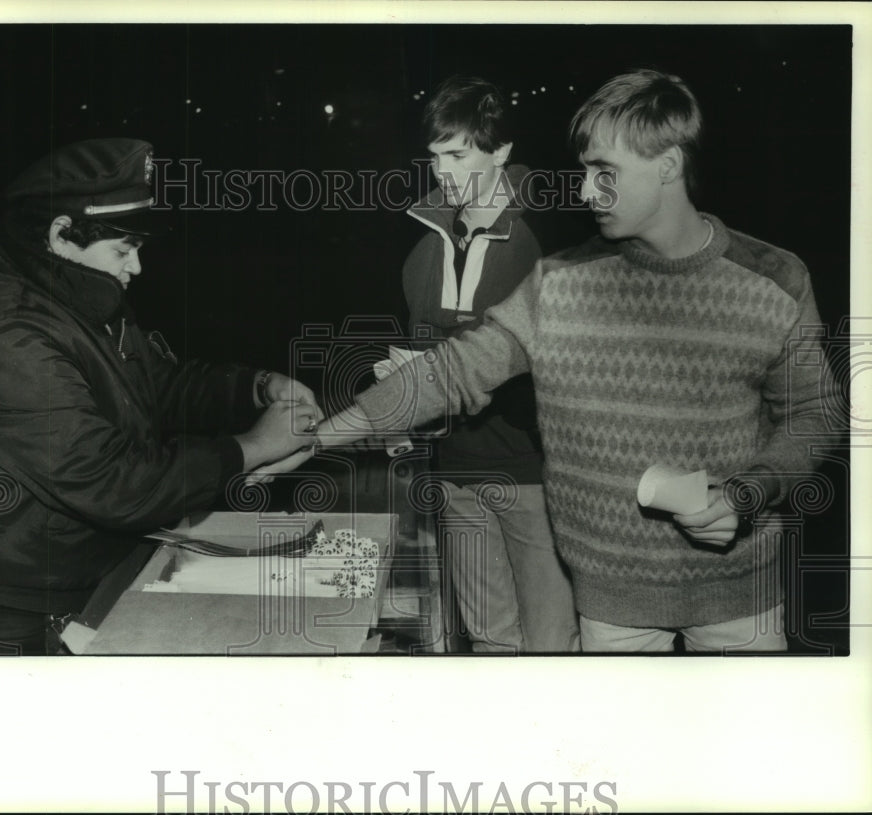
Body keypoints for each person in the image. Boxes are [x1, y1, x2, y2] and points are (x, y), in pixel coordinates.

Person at [311, 69, 833, 653]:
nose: (585, 192)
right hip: (610, 606)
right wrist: (309, 443)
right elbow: (450, 373)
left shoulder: (776, 279)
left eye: (604, 172)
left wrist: (749, 491)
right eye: (585, 171)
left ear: (668, 166)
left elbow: (814, 416)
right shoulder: (559, 283)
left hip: (741, 600)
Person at [0, 138, 321, 655]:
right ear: (61, 235)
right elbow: (111, 482)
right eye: (123, 250)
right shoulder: (6, 336)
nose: (137, 269)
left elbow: (156, 387)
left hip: (63, 573)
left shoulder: (75, 295)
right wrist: (252, 448)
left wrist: (255, 388)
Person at [398, 76, 578, 653]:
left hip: (534, 475)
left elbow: (570, 365)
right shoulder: (422, 249)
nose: (442, 171)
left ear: (501, 151)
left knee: (552, 644)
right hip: (454, 472)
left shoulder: (548, 238)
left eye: (458, 153)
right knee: (489, 643)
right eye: (434, 156)